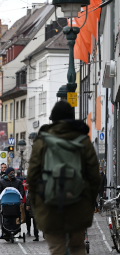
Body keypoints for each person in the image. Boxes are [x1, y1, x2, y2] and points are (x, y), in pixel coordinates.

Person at [28, 101, 100, 255]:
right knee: (77, 247)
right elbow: (94, 177)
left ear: (53, 120)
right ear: (71, 119)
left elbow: (32, 177)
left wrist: (37, 203)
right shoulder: (84, 141)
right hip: (78, 204)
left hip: (49, 206)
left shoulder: (42, 142)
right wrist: (88, 201)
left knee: (56, 249)